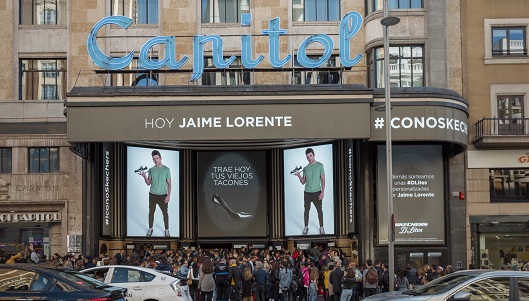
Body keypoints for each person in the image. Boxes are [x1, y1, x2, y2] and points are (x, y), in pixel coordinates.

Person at [140, 150, 172, 237]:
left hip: (162, 195)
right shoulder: (151, 169)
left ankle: (166, 230)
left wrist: (168, 196)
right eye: (154, 159)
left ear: (160, 158)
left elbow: (169, 184)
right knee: (151, 212)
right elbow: (148, 183)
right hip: (152, 195)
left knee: (165, 213)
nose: (155, 160)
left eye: (157, 158)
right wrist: (144, 176)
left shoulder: (166, 169)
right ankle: (150, 229)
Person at [295, 148, 326, 235]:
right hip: (307, 193)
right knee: (306, 210)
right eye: (307, 157)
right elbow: (303, 182)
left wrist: (322, 192)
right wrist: (299, 176)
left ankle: (321, 227)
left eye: (310, 156)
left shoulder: (320, 165)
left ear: (314, 155)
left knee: (319, 210)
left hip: (317, 192)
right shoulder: (305, 168)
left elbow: (323, 180)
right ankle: (306, 227)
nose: (309, 158)